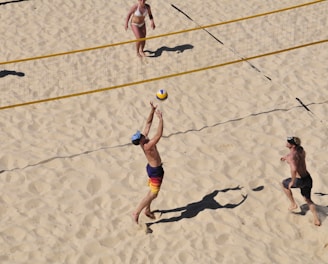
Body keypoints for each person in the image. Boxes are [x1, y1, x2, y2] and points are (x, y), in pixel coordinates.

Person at [131, 101, 164, 224]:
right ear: (140, 139)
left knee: (151, 191)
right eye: (141, 135)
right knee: (153, 194)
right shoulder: (148, 145)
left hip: (151, 168)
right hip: (155, 171)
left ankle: (148, 210)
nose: (143, 133)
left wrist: (152, 110)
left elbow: (148, 123)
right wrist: (161, 120)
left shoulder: (143, 141)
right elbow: (158, 135)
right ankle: (136, 212)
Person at [280, 136, 321, 226]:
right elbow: (296, 157)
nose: (286, 143)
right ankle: (316, 219)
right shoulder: (301, 150)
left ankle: (293, 203)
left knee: (284, 184)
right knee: (308, 199)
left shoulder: (291, 156)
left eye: (288, 142)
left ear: (292, 145)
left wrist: (292, 181)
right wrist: (286, 157)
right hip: (307, 178)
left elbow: (294, 169)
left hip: (299, 180)